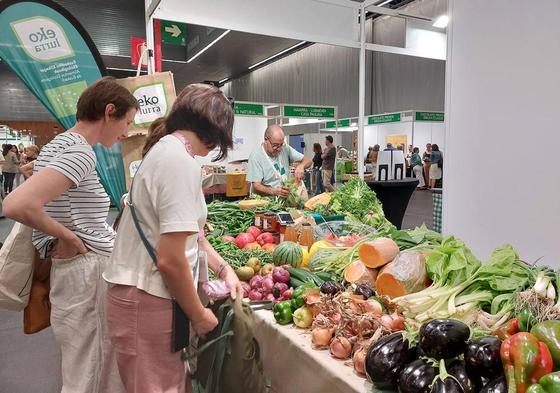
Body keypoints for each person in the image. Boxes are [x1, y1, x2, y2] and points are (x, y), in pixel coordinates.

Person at [103, 84, 242, 392]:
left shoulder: (167, 152)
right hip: (147, 298)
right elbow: (170, 259)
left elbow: (193, 236)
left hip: (146, 296)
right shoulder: (178, 163)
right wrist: (200, 314)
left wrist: (224, 269)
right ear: (215, 130)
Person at [3, 77, 138, 393]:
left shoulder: (59, 144)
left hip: (76, 273)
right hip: (86, 272)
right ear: (109, 111)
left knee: (80, 363)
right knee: (91, 369)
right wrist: (68, 236)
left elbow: (40, 191)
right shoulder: (80, 152)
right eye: (126, 122)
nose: (127, 132)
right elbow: (16, 203)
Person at [247, 124, 312, 198]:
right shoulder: (256, 156)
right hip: (265, 202)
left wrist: (301, 166)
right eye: (275, 145)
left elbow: (308, 160)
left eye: (281, 144)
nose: (279, 149)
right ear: (266, 140)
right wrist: (273, 191)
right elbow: (256, 185)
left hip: (283, 200)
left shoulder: (285, 148)